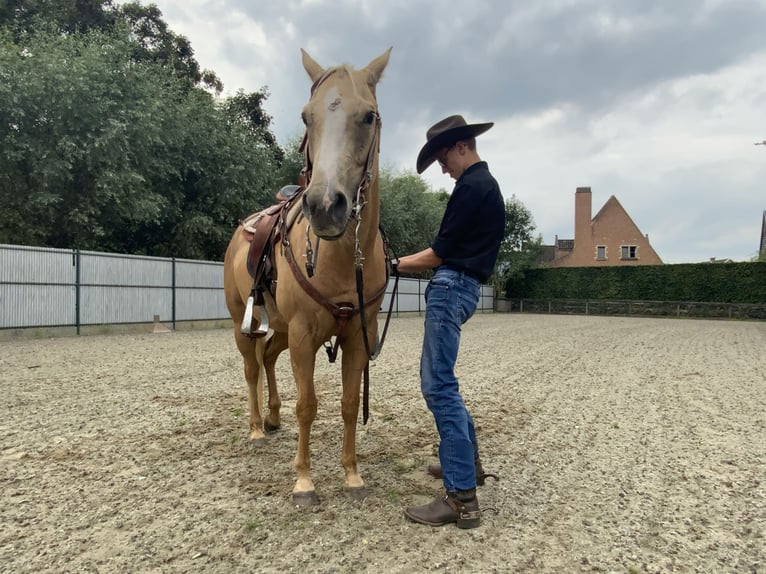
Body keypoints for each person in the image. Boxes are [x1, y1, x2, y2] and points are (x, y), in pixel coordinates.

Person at [394, 115, 505, 529]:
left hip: (450, 286)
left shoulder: (471, 187)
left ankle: (461, 498)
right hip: (466, 287)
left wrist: (392, 264)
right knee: (446, 383)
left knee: (438, 386)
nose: (443, 168)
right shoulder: (486, 187)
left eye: (443, 159)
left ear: (462, 146)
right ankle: (466, 467)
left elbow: (439, 253)